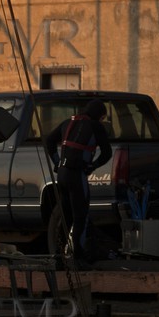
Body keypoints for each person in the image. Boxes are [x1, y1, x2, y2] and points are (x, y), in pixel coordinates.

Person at [43, 98, 113, 264]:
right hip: (77, 175)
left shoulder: (68, 122)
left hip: (62, 174)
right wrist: (93, 166)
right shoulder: (96, 127)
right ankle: (78, 256)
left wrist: (57, 161)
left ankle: (59, 255)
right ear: (99, 116)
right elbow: (107, 153)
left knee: (66, 214)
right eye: (103, 117)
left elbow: (49, 140)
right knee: (80, 215)